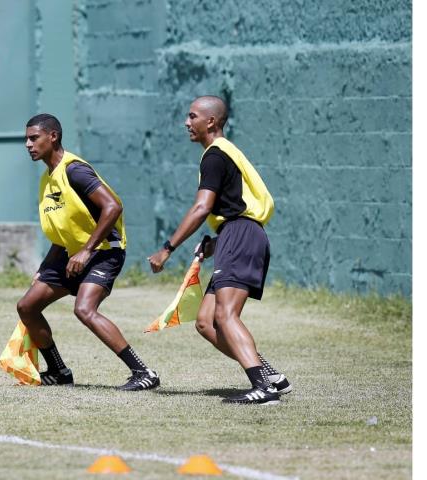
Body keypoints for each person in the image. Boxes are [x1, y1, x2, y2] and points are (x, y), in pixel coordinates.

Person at [147, 95, 291, 405]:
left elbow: (201, 208)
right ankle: (271, 377)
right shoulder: (225, 152)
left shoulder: (214, 155)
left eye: (193, 116)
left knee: (225, 315)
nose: (187, 122)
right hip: (236, 234)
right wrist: (218, 240)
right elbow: (232, 205)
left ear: (211, 121)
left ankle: (262, 389)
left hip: (240, 234)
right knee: (206, 320)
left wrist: (167, 248)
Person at [17, 113, 160, 391]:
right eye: (26, 139)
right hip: (72, 253)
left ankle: (143, 372)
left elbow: (112, 207)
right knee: (27, 306)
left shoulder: (75, 170)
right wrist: (44, 267)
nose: (28, 144)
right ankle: (58, 371)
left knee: (84, 309)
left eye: (34, 138)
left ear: (53, 136)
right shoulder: (48, 179)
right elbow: (64, 232)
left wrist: (86, 250)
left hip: (104, 250)